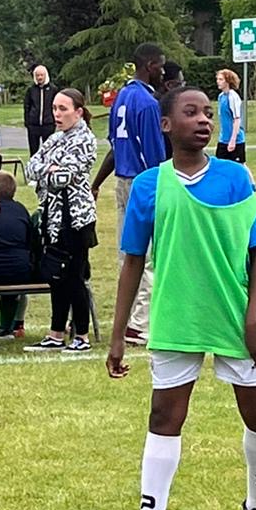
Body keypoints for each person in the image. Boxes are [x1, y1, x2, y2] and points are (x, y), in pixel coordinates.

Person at [97, 86, 256, 510]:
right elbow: (132, 263)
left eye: (209, 113)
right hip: (176, 316)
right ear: (166, 125)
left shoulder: (234, 177)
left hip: (234, 316)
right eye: (191, 112)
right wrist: (117, 336)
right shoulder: (148, 185)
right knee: (164, 417)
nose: (204, 120)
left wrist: (253, 319)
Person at [91, 42, 167, 344]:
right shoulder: (147, 103)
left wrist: (98, 181)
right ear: (150, 65)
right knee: (148, 255)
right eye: (160, 65)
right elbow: (153, 153)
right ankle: (140, 323)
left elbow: (114, 143)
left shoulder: (121, 96)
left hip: (121, 179)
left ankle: (129, 318)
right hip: (142, 181)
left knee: (127, 252)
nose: (163, 71)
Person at [25, 87, 98, 353]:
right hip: (53, 217)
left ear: (78, 112)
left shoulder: (85, 139)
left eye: (63, 109)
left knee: (74, 276)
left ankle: (81, 336)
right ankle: (56, 333)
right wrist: (50, 169)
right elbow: (30, 168)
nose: (57, 114)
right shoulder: (55, 138)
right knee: (56, 275)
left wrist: (48, 171)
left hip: (76, 219)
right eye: (54, 108)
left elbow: (62, 178)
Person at [0, 170, 41, 339]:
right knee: (11, 278)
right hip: (19, 271)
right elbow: (31, 243)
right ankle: (8, 327)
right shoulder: (20, 210)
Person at [23, 65, 58, 156]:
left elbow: (56, 106)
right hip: (33, 125)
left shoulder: (53, 89)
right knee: (34, 151)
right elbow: (27, 106)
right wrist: (27, 122)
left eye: (41, 75)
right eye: (37, 75)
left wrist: (54, 120)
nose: (40, 77)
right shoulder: (31, 90)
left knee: (48, 151)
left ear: (46, 75)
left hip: (48, 124)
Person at [216, 68, 246, 162]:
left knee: (239, 166)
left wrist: (233, 140)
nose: (218, 81)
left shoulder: (233, 96)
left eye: (221, 79)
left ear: (228, 81)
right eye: (218, 79)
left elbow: (237, 119)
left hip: (236, 140)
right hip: (223, 139)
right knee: (220, 164)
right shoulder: (221, 96)